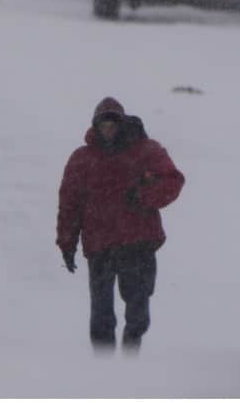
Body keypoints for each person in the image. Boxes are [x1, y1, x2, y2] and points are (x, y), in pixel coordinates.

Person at [56, 96, 184, 351]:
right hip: (100, 247)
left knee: (138, 312)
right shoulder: (82, 159)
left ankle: (130, 355)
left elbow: (173, 181)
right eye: (103, 123)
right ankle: (104, 373)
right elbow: (69, 204)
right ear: (95, 125)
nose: (108, 128)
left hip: (138, 245)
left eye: (113, 122)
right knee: (101, 317)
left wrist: (143, 195)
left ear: (122, 123)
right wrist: (66, 244)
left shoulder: (146, 151)